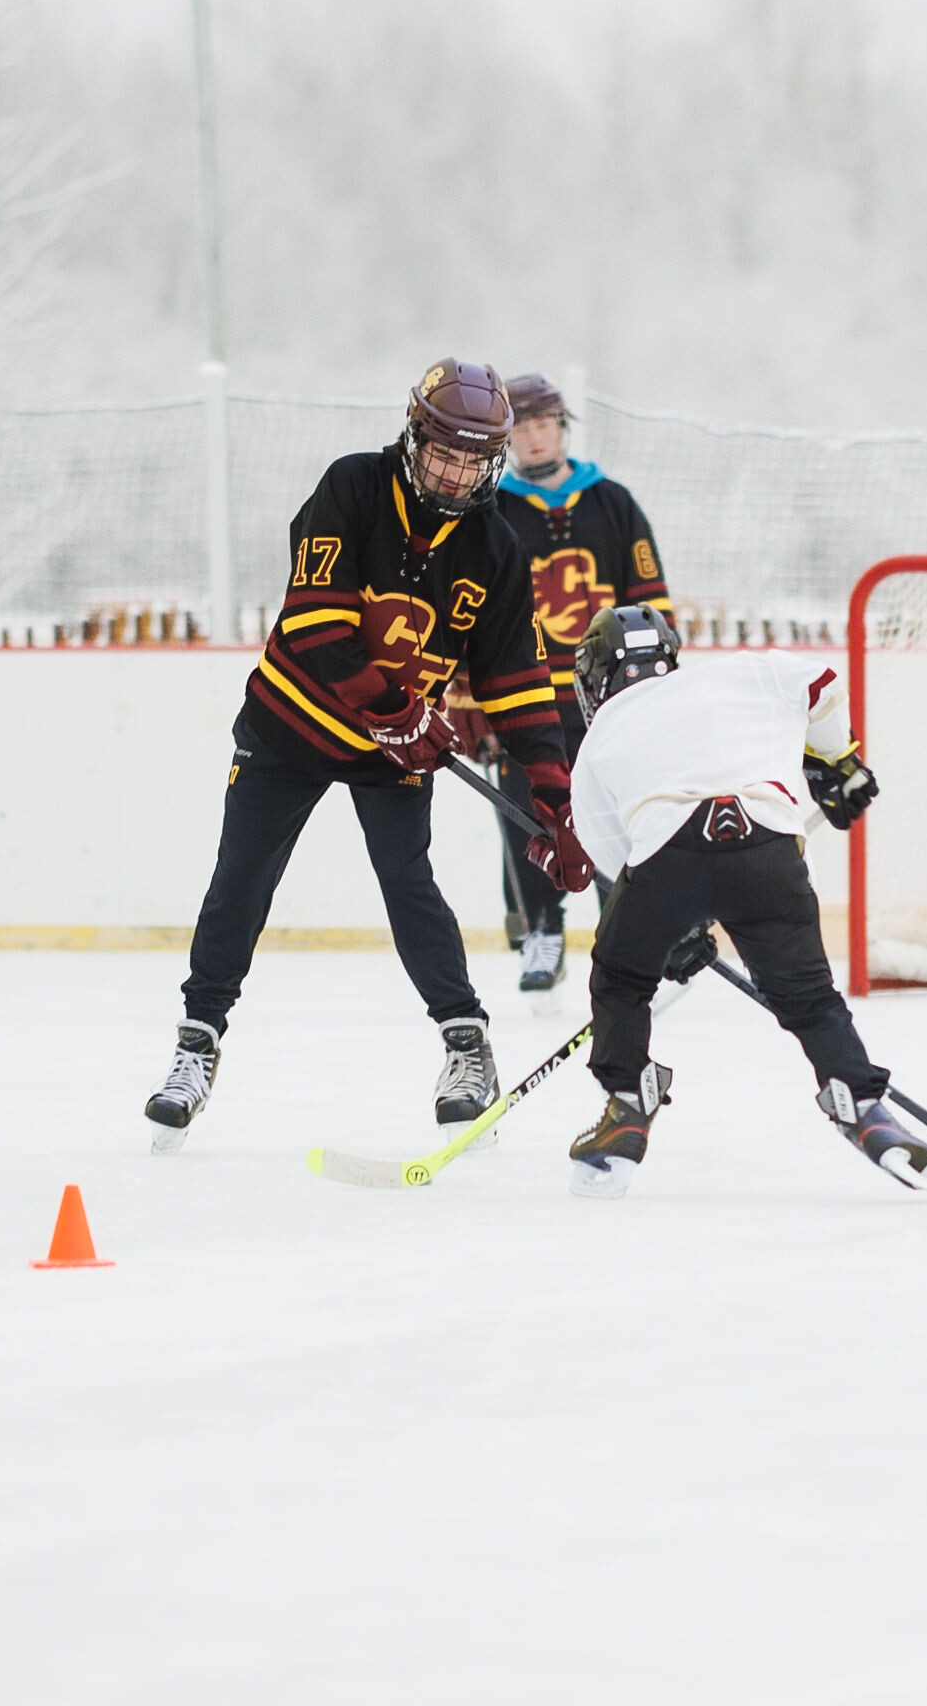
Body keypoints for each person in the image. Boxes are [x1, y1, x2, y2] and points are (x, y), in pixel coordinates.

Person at [143, 359, 594, 1148]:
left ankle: (466, 1044)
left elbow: (518, 682)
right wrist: (395, 712)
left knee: (408, 883)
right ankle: (198, 1041)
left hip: (395, 749)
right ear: (414, 437)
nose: (453, 473)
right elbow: (315, 620)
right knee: (241, 878)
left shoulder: (495, 545)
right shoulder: (351, 487)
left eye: (471, 460)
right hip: (289, 729)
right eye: (442, 452)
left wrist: (555, 802)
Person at [557, 603, 927, 1198]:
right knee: (809, 996)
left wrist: (676, 930)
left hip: (668, 859)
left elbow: (615, 859)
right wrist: (836, 760)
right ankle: (862, 1104)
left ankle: (626, 1104)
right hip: (769, 848)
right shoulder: (741, 673)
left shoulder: (600, 735)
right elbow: (821, 684)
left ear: (597, 672)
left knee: (621, 978)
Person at [487, 372, 674, 999]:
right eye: (522, 428)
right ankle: (541, 929)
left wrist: (657, 682)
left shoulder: (612, 502)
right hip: (525, 694)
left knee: (617, 812)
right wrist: (468, 694)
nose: (534, 438)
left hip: (608, 696)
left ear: (563, 428)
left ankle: (625, 931)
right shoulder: (492, 511)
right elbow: (472, 609)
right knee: (528, 812)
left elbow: (648, 596)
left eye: (544, 424)